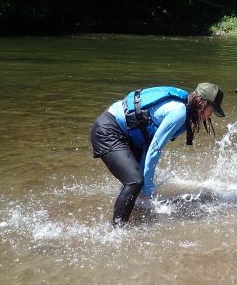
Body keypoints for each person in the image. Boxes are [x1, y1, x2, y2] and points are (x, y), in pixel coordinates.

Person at [90, 82, 225, 226]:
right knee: (135, 182)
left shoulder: (186, 106)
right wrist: (147, 189)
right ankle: (118, 230)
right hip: (108, 131)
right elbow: (155, 148)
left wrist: (146, 187)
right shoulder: (178, 111)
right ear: (202, 103)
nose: (210, 115)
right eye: (211, 110)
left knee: (136, 183)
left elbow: (148, 143)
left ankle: (133, 214)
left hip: (128, 135)